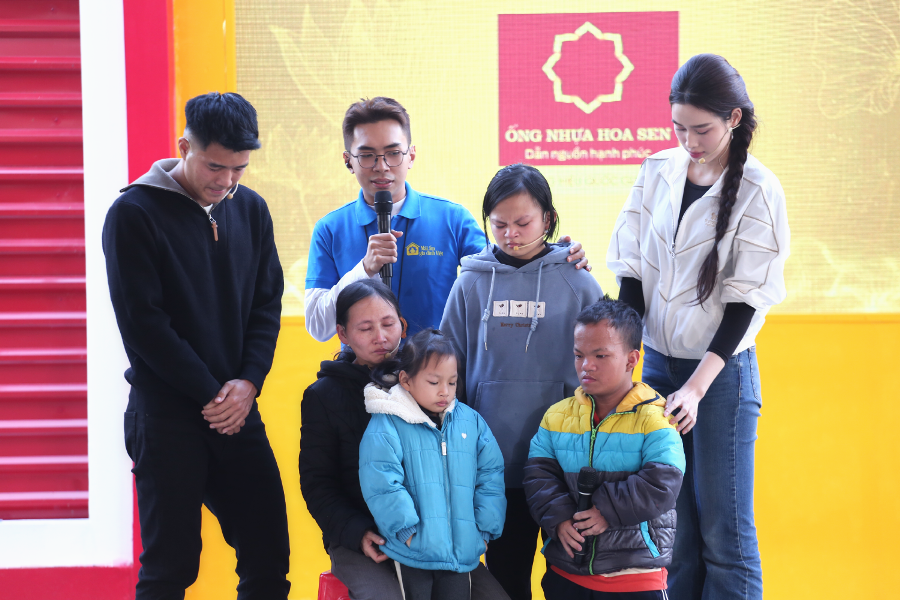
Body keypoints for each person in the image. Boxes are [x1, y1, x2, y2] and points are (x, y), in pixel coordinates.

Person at [606, 54, 790, 600]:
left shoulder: (759, 189)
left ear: (734, 118)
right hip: (658, 366)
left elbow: (746, 302)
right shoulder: (655, 170)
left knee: (724, 535)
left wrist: (695, 388)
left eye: (702, 129)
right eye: (678, 127)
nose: (689, 141)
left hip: (720, 377)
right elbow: (632, 270)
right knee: (675, 533)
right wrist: (627, 367)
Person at [102, 92, 290, 599]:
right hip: (167, 416)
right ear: (185, 146)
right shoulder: (133, 213)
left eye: (239, 168)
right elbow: (144, 325)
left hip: (238, 409)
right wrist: (212, 394)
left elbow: (266, 304)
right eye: (215, 166)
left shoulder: (251, 209)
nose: (226, 181)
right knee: (171, 568)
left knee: (268, 557)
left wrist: (248, 383)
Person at [440, 164, 603, 600]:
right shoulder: (469, 284)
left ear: (548, 219)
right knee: (506, 581)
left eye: (523, 222)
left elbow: (607, 371)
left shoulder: (578, 280)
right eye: (499, 225)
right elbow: (447, 376)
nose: (510, 234)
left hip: (565, 466)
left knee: (568, 582)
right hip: (494, 466)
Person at [304, 96, 589, 341]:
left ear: (411, 156)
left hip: (436, 379)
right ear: (348, 160)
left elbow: (504, 274)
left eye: (393, 153)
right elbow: (318, 327)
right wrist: (364, 269)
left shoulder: (452, 219)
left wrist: (556, 256)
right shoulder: (330, 229)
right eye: (367, 155)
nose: (382, 166)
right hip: (360, 380)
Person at [299, 280, 511, 600]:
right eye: (365, 328)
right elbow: (317, 483)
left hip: (438, 536)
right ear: (342, 333)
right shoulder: (324, 396)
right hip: (369, 539)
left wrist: (477, 527)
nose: (381, 337)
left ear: (403, 324)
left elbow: (471, 458)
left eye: (388, 324)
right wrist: (357, 533)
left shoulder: (430, 378)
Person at [523, 299, 685, 599]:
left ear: (631, 359)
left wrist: (606, 511)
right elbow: (538, 476)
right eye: (579, 355)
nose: (587, 365)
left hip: (636, 578)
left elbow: (663, 482)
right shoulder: (556, 416)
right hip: (566, 574)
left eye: (600, 355)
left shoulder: (658, 419)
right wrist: (559, 518)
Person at [359, 329, 507, 600]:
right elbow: (381, 481)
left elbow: (491, 475)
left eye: (452, 382)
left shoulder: (470, 421)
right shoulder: (388, 423)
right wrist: (406, 531)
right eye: (434, 382)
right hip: (413, 552)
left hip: (461, 553)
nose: (445, 392)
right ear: (406, 380)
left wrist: (484, 530)